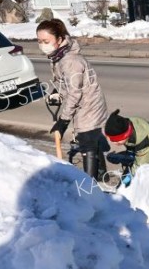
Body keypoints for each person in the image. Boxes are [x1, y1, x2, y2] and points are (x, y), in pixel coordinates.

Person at [36, 19, 109, 181]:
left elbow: (75, 93)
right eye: (39, 41)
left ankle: (89, 186)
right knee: (92, 140)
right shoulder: (60, 55)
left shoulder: (70, 61)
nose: (42, 45)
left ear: (60, 39)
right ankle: (102, 175)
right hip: (87, 104)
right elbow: (67, 83)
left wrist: (63, 121)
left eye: (46, 41)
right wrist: (58, 92)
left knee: (87, 143)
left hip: (88, 107)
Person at [103, 109, 149, 185]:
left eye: (117, 140)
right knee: (137, 158)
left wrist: (131, 176)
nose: (115, 143)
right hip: (146, 143)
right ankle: (132, 159)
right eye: (112, 140)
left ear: (126, 135)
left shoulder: (142, 141)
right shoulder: (125, 125)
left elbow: (140, 164)